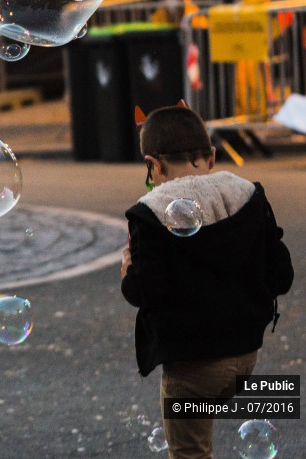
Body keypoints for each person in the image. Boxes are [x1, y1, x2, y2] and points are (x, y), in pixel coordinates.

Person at [121, 104, 294, 459]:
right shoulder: (249, 193)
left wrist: (127, 271)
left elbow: (144, 291)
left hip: (192, 369)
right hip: (245, 357)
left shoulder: (150, 213)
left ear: (154, 165)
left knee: (190, 454)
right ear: (212, 156)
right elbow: (282, 275)